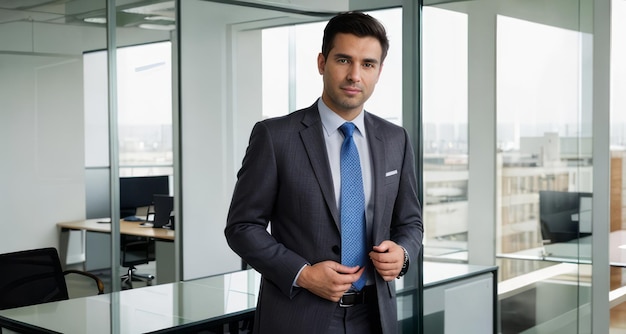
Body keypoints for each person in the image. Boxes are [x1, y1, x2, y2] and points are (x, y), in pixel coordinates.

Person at [225, 11, 423, 334]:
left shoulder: (395, 139)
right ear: (322, 63)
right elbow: (241, 226)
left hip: (375, 317)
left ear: (379, 71)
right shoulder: (275, 137)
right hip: (298, 316)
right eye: (344, 60)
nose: (355, 75)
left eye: (368, 64)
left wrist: (403, 254)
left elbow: (411, 222)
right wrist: (303, 274)